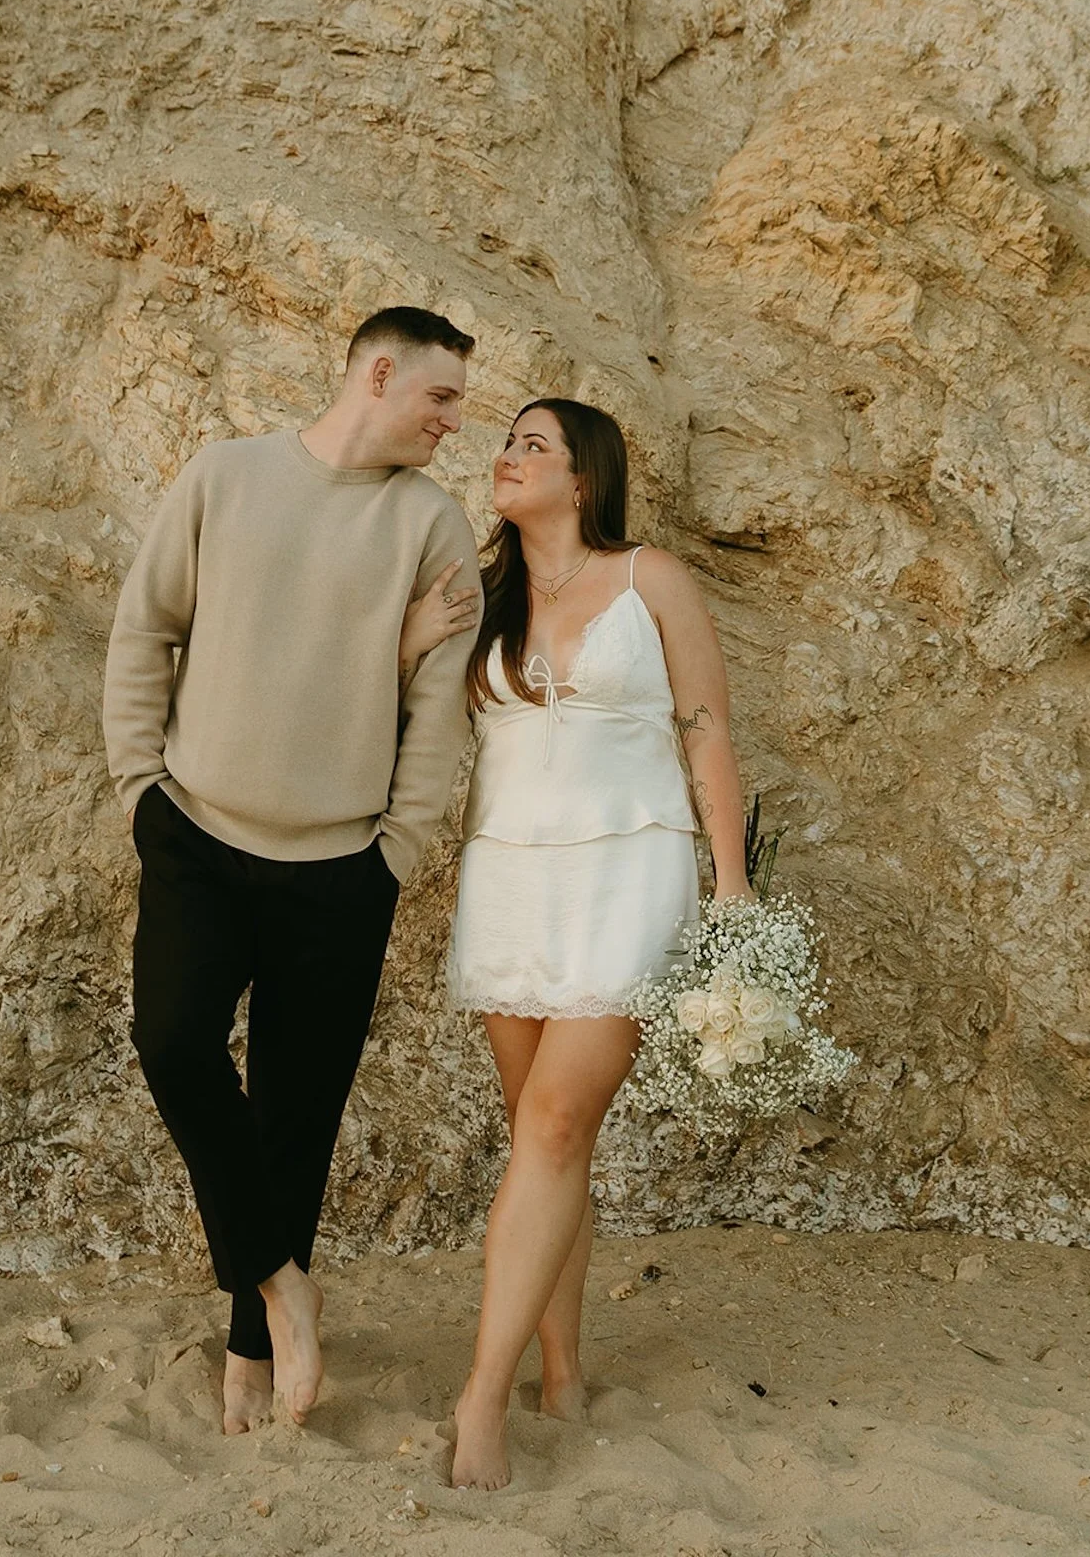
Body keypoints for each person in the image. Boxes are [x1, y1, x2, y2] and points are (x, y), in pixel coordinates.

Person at [102, 307, 481, 1435]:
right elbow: (145, 629)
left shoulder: (432, 525)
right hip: (197, 839)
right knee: (170, 1042)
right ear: (378, 373)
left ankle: (252, 1356)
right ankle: (281, 1285)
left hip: (338, 872)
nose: (454, 425)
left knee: (295, 1118)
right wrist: (140, 788)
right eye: (441, 399)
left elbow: (434, 717)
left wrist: (396, 855)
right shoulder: (225, 476)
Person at [400, 397, 753, 1490]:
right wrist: (411, 639)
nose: (504, 457)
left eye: (529, 445)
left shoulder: (652, 583)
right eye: (504, 442)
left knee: (554, 1124)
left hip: (627, 871)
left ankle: (480, 1396)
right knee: (538, 1144)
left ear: (583, 479)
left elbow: (705, 731)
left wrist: (730, 888)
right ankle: (560, 1368)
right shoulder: (483, 593)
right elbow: (396, 703)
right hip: (508, 875)